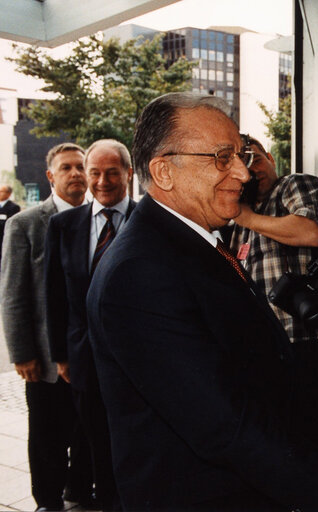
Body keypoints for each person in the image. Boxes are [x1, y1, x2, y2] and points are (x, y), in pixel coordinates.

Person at [85, 92, 318, 512]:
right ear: (164, 171)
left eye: (240, 155)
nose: (243, 172)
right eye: (223, 157)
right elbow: (221, 424)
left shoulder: (193, 243)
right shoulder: (139, 271)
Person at [231, 136, 318, 453]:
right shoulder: (241, 217)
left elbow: (312, 231)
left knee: (310, 439)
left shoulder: (293, 185)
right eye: (242, 163)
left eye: (255, 158)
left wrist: (246, 217)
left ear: (270, 156)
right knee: (276, 444)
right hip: (263, 349)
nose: (252, 169)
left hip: (304, 341)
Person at [1, 143, 94, 511]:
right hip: (44, 356)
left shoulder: (98, 220)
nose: (75, 174)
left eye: (80, 167)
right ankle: (48, 500)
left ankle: (79, 489)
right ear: (50, 176)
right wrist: (22, 353)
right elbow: (13, 294)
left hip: (86, 354)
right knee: (47, 435)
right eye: (66, 168)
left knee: (87, 431)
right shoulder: (25, 224)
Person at [45, 139, 136, 511]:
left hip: (139, 361)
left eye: (112, 172)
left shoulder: (150, 220)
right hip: (86, 361)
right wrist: (61, 356)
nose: (102, 181)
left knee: (136, 445)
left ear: (128, 174)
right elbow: (54, 295)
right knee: (98, 445)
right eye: (94, 172)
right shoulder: (64, 225)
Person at [0, 184, 21, 269]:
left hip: (4, 238)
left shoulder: (13, 207)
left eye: (1, 191)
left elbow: (10, 224)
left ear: (8, 194)